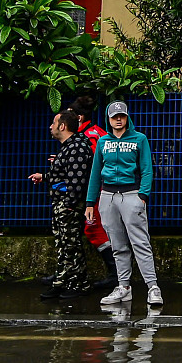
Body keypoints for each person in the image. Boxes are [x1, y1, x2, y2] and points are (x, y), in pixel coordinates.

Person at [86, 101, 160, 309]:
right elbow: (95, 173)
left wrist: (142, 196)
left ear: (127, 117)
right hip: (107, 196)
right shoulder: (102, 142)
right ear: (109, 119)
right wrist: (90, 202)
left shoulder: (139, 139)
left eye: (122, 116)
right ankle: (123, 287)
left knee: (140, 243)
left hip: (131, 194)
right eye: (114, 116)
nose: (119, 119)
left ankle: (153, 287)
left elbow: (147, 169)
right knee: (117, 245)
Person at [31, 106, 95, 301]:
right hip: (64, 203)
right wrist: (45, 176)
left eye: (54, 123)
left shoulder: (76, 147)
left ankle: (72, 283)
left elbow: (77, 181)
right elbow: (66, 174)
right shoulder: (71, 146)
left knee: (70, 244)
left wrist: (68, 205)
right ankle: (71, 281)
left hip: (68, 205)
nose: (51, 127)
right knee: (66, 244)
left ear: (63, 126)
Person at [72, 93, 120, 293]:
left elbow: (93, 164)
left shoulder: (88, 136)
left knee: (94, 229)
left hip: (100, 190)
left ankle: (115, 274)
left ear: (79, 117)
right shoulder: (97, 132)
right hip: (106, 189)